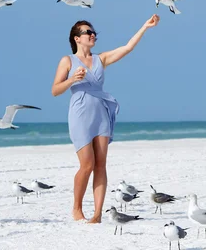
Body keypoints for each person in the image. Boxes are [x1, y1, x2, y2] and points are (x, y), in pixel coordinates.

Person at [51, 14, 160, 223]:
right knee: (87, 165)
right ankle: (76, 208)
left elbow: (127, 48)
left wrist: (144, 26)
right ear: (77, 38)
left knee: (101, 164)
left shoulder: (101, 59)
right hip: (80, 114)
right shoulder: (67, 60)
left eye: (94, 33)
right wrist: (73, 79)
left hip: (101, 113)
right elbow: (55, 90)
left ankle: (98, 214)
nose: (93, 35)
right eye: (88, 32)